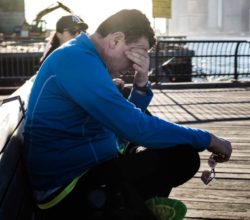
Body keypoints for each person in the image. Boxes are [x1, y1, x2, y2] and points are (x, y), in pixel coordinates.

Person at [23, 9, 232, 219]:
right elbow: (134, 128)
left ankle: (130, 206)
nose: (136, 63)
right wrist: (209, 139)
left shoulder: (86, 57)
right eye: (137, 52)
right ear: (115, 40)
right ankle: (127, 208)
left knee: (180, 154)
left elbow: (122, 126)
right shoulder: (76, 61)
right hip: (66, 190)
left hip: (88, 170)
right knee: (180, 156)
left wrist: (140, 85)